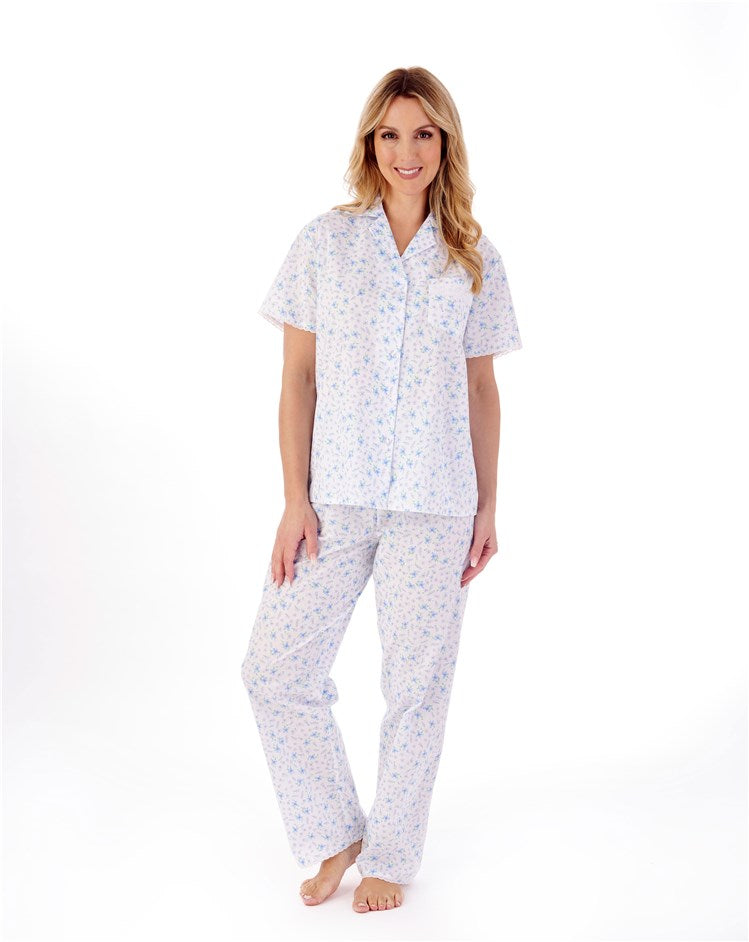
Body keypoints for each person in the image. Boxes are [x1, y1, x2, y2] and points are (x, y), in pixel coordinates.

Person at [240, 66, 523, 914]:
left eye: (423, 134)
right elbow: (297, 380)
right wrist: (294, 499)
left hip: (436, 503)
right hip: (335, 498)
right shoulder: (323, 244)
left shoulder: (474, 257)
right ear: (370, 142)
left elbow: (481, 389)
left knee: (415, 690)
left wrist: (487, 505)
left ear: (445, 143)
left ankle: (392, 855)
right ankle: (335, 831)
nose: (407, 151)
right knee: (272, 669)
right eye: (391, 134)